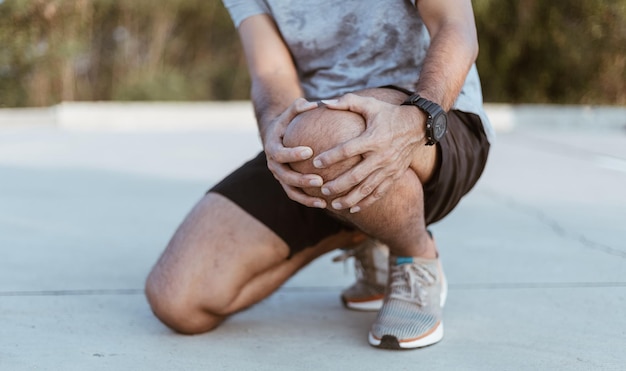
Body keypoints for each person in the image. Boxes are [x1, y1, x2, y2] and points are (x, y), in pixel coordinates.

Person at [145, 0, 494, 350]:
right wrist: (275, 134)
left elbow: (456, 27)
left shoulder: (422, 118)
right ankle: (364, 229)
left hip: (435, 122)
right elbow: (272, 73)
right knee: (178, 297)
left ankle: (414, 254)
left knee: (323, 135)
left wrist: (418, 117)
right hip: (319, 149)